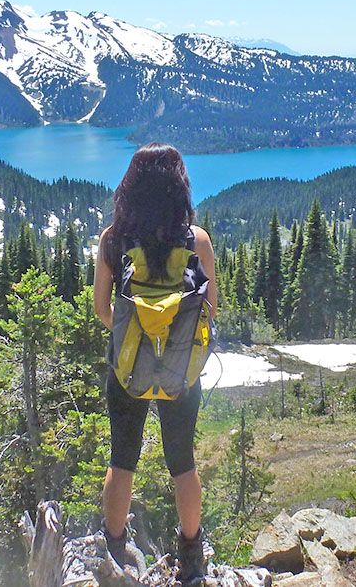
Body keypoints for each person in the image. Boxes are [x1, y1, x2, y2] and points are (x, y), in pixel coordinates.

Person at [93, 143, 217, 584]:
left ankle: (111, 547)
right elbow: (210, 310)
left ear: (131, 186)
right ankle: (191, 556)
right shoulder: (195, 240)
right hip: (182, 371)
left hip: (127, 370)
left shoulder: (113, 239)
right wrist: (169, 339)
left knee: (122, 458)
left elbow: (102, 309)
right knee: (182, 462)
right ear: (177, 186)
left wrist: (137, 339)